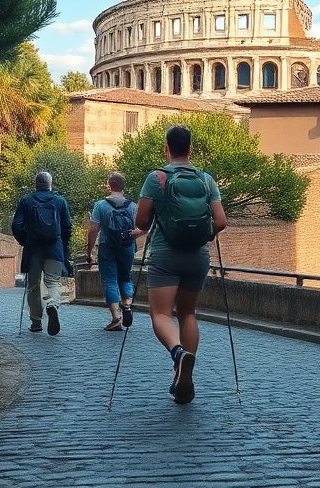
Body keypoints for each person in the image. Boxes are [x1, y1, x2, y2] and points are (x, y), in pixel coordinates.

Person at [135, 124, 227, 404]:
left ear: (167, 148)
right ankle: (184, 374)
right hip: (198, 256)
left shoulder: (157, 178)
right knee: (188, 313)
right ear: (190, 149)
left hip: (165, 254)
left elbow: (141, 222)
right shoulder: (206, 180)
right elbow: (221, 222)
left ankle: (178, 353)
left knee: (161, 315)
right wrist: (203, 235)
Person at [11, 171, 74, 336]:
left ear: (36, 184)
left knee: (33, 285)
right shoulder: (60, 202)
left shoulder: (26, 201)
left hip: (33, 250)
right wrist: (63, 245)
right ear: (50, 184)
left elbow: (17, 225)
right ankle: (52, 304)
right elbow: (67, 227)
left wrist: (25, 240)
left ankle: (36, 321)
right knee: (53, 282)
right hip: (55, 248)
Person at [87, 172, 139, 332]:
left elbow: (93, 230)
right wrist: (131, 235)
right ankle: (128, 305)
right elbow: (143, 229)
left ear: (109, 186)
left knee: (110, 280)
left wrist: (89, 251)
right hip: (128, 246)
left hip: (107, 246)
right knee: (125, 277)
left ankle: (116, 318)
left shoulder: (100, 205)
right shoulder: (133, 206)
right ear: (124, 187)